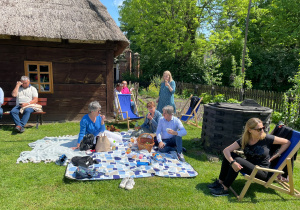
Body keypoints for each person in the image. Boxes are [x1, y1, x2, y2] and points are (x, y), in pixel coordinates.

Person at [208, 118, 291, 196]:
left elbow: (287, 142)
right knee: (230, 155)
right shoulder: (245, 139)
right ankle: (220, 182)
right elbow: (226, 150)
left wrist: (277, 154)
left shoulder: (267, 138)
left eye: (263, 127)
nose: (262, 130)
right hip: (251, 167)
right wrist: (232, 162)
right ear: (250, 130)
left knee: (237, 160)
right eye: (259, 129)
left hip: (263, 172)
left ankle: (225, 188)